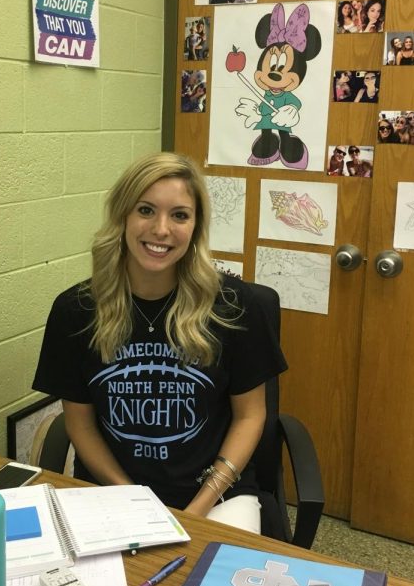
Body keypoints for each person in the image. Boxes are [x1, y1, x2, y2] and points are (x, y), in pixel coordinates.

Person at [33, 152, 287, 533]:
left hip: (215, 497)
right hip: (110, 490)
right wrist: (135, 500)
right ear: (122, 216)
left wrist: (197, 509)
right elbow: (80, 426)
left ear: (196, 226)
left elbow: (251, 416)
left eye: (180, 215)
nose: (161, 229)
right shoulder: (76, 310)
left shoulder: (235, 306)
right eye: (146, 210)